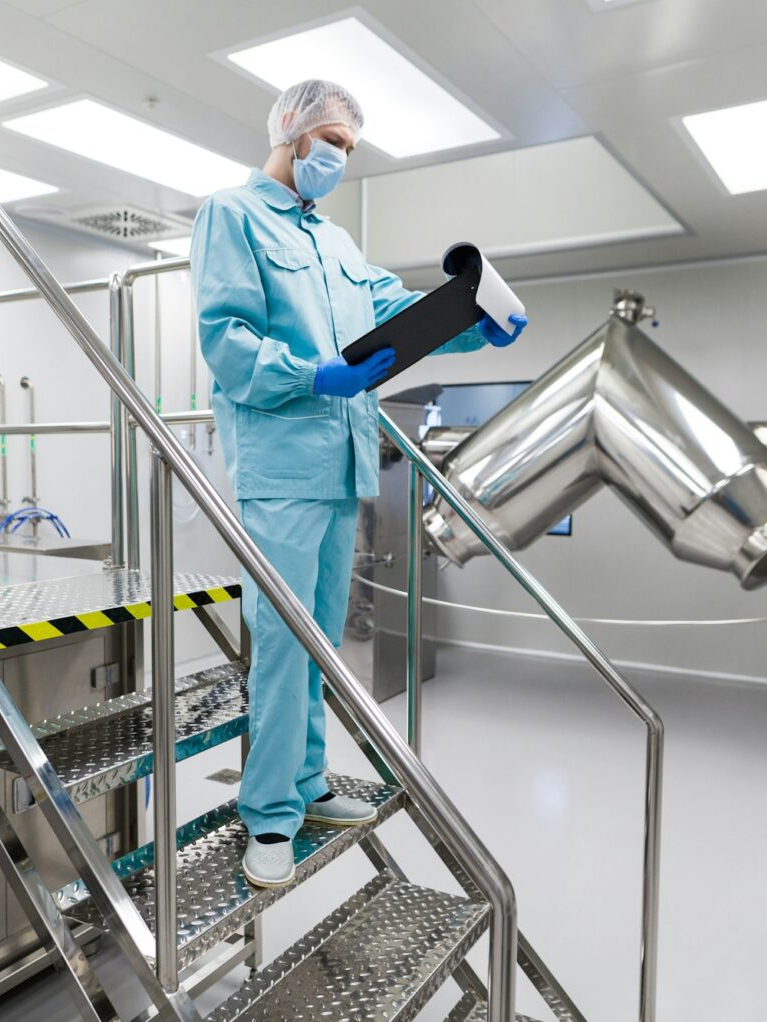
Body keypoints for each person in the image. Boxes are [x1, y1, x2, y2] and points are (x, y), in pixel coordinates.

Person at [190, 79, 527, 888]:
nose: (339, 157)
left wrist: (472, 321)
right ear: (291, 132)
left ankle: (306, 787)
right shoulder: (229, 216)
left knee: (321, 646)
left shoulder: (335, 244)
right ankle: (267, 813)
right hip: (278, 467)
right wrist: (315, 374)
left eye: (349, 147)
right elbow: (226, 341)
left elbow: (393, 309)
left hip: (341, 466)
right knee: (281, 647)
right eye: (332, 140)